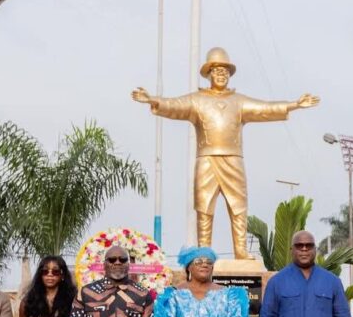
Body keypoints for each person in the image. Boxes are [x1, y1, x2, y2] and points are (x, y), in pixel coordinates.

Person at [131, 47, 318, 259]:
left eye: (225, 71)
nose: (221, 74)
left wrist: (294, 105)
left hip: (233, 159)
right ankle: (204, 251)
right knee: (204, 207)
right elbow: (174, 105)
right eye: (217, 71)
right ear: (208, 73)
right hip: (207, 159)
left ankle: (240, 251)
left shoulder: (238, 101)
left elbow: (264, 109)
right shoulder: (197, 100)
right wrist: (153, 100)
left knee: (239, 206)